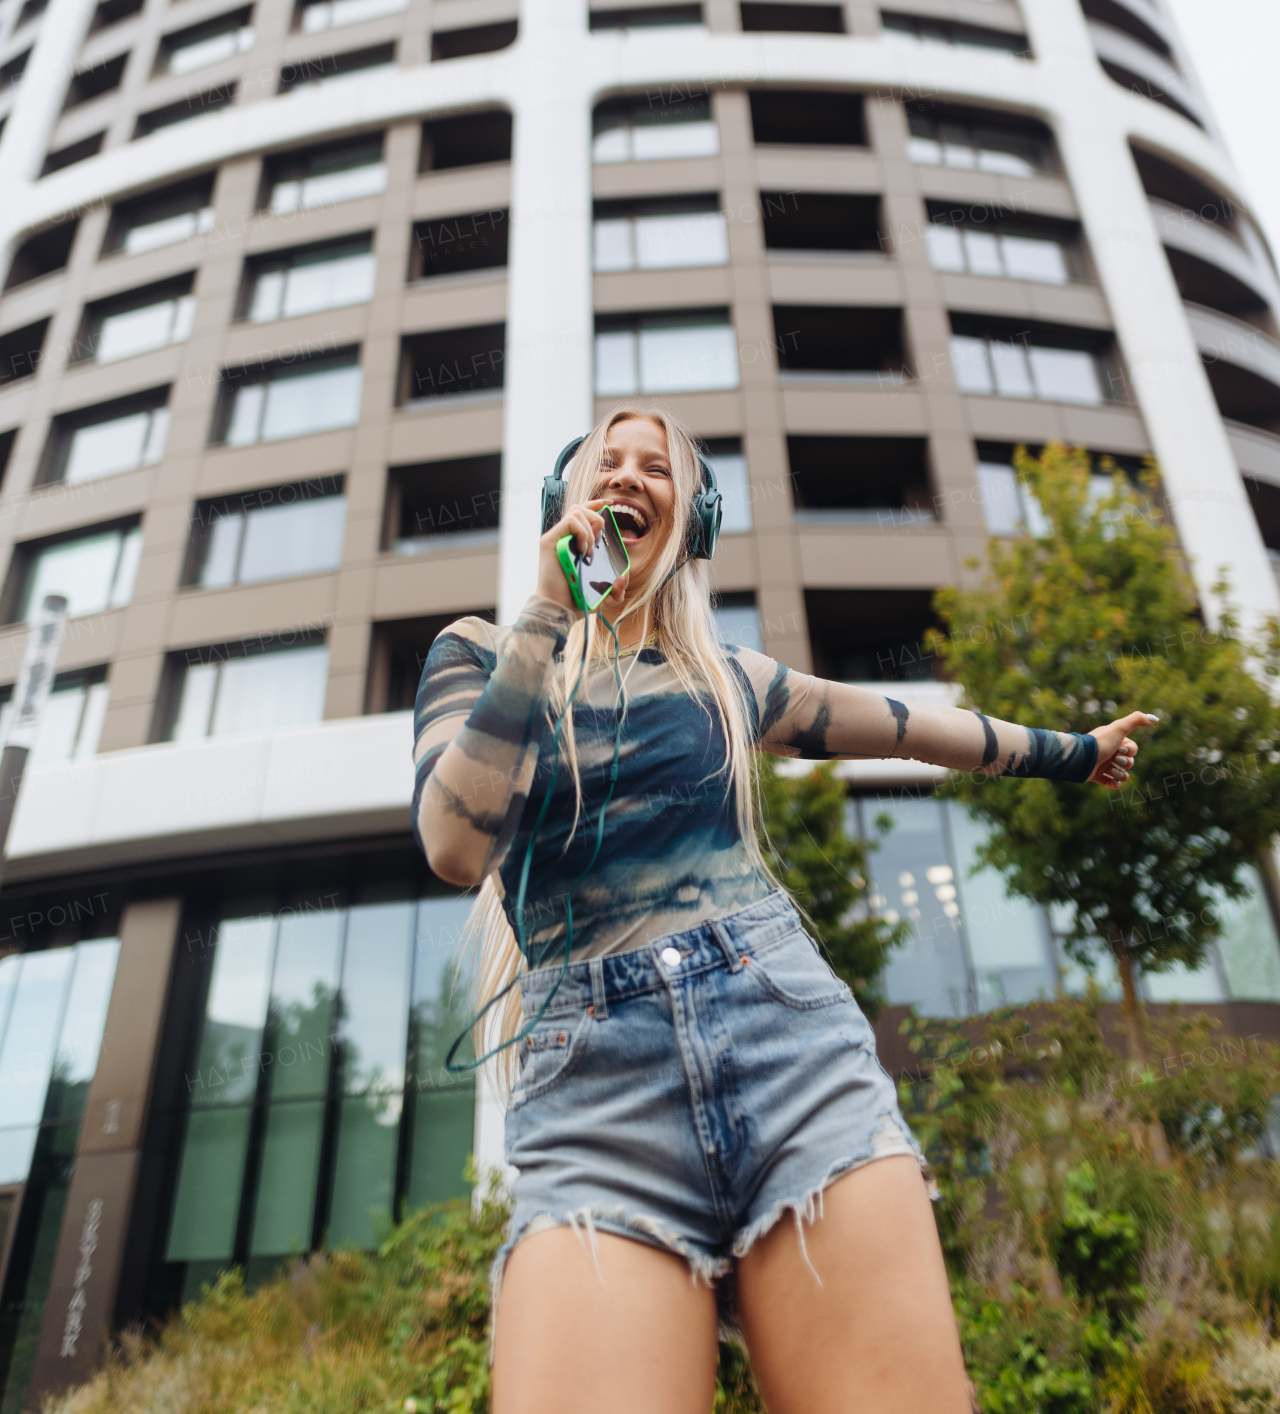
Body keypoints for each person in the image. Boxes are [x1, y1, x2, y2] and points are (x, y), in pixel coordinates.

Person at [412, 408, 1150, 1414]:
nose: (631, 477)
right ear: (566, 500)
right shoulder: (480, 655)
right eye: (608, 463)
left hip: (785, 1048)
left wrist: (1073, 751)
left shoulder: (728, 681)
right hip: (592, 1098)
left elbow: (910, 730)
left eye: (657, 468)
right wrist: (548, 615)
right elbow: (454, 844)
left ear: (691, 521)